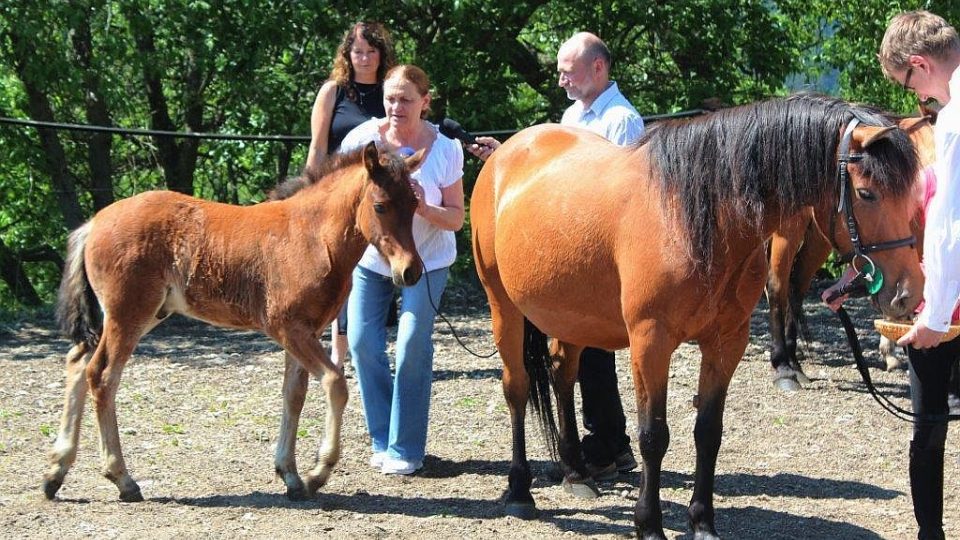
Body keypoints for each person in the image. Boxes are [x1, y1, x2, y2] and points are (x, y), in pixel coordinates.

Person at [468, 32, 644, 481]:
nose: (560, 75)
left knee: (598, 351)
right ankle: (608, 442)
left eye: (569, 67)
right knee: (586, 354)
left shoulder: (621, 121)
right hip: (568, 238)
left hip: (600, 249)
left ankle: (608, 441)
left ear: (598, 68)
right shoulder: (573, 115)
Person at [339, 64, 465, 475]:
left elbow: (457, 218)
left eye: (407, 99)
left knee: (412, 343)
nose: (397, 106)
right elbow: (343, 199)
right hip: (373, 259)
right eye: (391, 98)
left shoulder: (445, 150)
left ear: (425, 103)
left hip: (426, 259)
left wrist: (423, 205)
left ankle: (406, 448)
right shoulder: (363, 142)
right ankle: (382, 438)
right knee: (361, 343)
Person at [878, 11, 960, 540]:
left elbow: (950, 228)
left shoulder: (953, 121)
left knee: (929, 427)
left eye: (910, 85)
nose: (919, 102)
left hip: (950, 305)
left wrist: (933, 315)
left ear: (920, 64)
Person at [306, 21, 396, 366]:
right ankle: (338, 350)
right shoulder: (334, 91)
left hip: (376, 195)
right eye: (358, 51)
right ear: (348, 54)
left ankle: (367, 346)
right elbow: (317, 147)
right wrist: (308, 190)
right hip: (336, 195)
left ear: (381, 54)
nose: (364, 58)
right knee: (338, 267)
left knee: (377, 265)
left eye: (371, 51)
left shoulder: (391, 92)